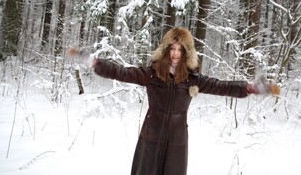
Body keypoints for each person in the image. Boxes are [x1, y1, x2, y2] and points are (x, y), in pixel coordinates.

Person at [89, 27, 278, 175]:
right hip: (151, 135)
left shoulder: (192, 79)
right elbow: (122, 72)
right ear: (166, 50)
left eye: (180, 49)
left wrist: (248, 88)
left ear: (186, 52)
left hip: (177, 139)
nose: (176, 54)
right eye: (172, 48)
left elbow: (220, 86)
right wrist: (98, 64)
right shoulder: (152, 74)